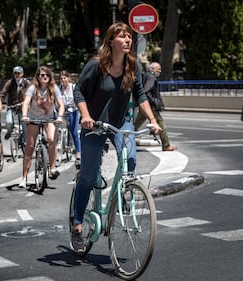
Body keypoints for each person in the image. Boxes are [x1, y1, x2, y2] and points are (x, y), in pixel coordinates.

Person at [70, 22, 162, 252]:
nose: (128, 40)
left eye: (129, 37)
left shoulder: (132, 66)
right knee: (88, 177)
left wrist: (152, 120)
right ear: (112, 41)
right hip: (95, 124)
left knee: (130, 160)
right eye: (123, 37)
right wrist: (85, 115)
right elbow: (78, 90)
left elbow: (140, 94)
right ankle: (77, 224)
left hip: (121, 123)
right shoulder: (96, 65)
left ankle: (123, 197)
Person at [18, 66, 65, 188]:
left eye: (47, 75)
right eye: (42, 75)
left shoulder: (54, 89)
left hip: (49, 119)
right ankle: (24, 178)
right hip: (33, 118)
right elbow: (26, 102)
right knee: (30, 147)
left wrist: (59, 116)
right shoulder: (32, 89)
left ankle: (52, 168)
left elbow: (61, 105)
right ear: (37, 77)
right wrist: (24, 115)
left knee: (51, 140)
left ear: (50, 77)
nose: (44, 77)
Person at [134, 62, 177, 151]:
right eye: (158, 69)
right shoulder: (151, 77)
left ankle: (125, 139)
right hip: (150, 107)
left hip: (144, 106)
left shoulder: (146, 76)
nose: (160, 71)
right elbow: (147, 91)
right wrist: (155, 102)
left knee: (135, 125)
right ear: (152, 69)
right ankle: (166, 145)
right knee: (161, 124)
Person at [0, 66, 30, 140]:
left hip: (22, 107)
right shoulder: (10, 82)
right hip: (11, 106)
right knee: (9, 122)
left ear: (22, 74)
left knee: (25, 126)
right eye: (15, 73)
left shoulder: (26, 82)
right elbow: (3, 93)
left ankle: (24, 142)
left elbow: (32, 92)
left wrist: (29, 102)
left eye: (18, 73)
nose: (17, 75)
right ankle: (9, 131)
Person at [59, 70, 81, 166]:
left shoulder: (73, 87)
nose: (63, 80)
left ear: (68, 78)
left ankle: (78, 154)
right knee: (60, 129)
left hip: (73, 110)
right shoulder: (60, 89)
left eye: (64, 78)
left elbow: (79, 98)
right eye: (61, 78)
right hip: (64, 112)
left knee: (74, 131)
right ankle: (63, 146)